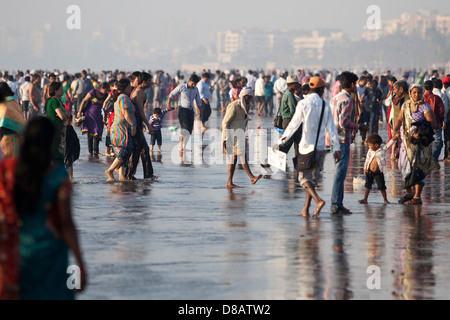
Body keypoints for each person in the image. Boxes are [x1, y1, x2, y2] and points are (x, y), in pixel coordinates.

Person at [8, 116, 86, 299]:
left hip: (20, 250)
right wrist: (80, 264)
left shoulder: (9, 172)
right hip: (52, 251)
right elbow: (66, 223)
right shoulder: (58, 176)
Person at [275, 77, 341, 218]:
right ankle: (306, 209)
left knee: (302, 179)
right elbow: (332, 129)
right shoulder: (325, 105)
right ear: (322, 90)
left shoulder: (303, 104)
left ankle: (318, 200)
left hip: (305, 147)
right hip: (319, 148)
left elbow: (293, 125)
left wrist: (281, 141)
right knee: (311, 180)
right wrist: (337, 149)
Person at [392, 84, 438, 205]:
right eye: (414, 92)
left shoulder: (425, 107)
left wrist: (419, 130)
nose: (416, 95)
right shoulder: (406, 105)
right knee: (403, 166)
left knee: (418, 168)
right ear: (410, 93)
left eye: (419, 92)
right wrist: (395, 130)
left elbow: (432, 124)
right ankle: (409, 193)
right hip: (406, 143)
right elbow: (400, 120)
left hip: (420, 143)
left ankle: (417, 197)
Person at [330, 71, 368, 215]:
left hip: (334, 140)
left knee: (339, 173)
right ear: (352, 84)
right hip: (342, 140)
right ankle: (335, 205)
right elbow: (344, 123)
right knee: (340, 174)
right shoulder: (347, 100)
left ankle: (338, 204)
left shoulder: (334, 98)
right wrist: (358, 126)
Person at [222, 87, 262, 189]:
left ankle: (229, 182)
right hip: (232, 136)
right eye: (251, 97)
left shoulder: (246, 106)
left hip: (239, 135)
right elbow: (225, 122)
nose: (252, 100)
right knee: (242, 156)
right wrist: (225, 139)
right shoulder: (234, 106)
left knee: (234, 158)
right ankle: (252, 177)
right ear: (247, 97)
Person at [105, 79, 137, 181]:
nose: (131, 88)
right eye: (129, 86)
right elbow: (126, 114)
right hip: (121, 128)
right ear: (125, 87)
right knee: (123, 151)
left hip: (121, 128)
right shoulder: (124, 98)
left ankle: (122, 176)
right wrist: (133, 125)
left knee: (127, 151)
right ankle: (110, 170)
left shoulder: (119, 97)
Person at [167, 74, 202, 159]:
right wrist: (168, 104)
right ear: (189, 80)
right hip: (182, 110)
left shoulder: (196, 89)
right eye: (192, 83)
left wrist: (200, 112)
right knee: (185, 128)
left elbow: (198, 101)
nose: (193, 85)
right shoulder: (182, 87)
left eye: (195, 84)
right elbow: (171, 94)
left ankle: (184, 146)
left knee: (189, 131)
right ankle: (180, 146)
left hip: (190, 111)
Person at [127, 72, 154, 180]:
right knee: (140, 150)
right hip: (135, 124)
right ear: (144, 82)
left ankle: (137, 174)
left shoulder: (138, 91)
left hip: (136, 123)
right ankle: (131, 175)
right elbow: (140, 111)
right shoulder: (139, 92)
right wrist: (148, 125)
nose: (150, 83)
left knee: (140, 150)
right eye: (149, 81)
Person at [358, 134, 394, 204]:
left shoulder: (382, 150)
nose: (369, 147)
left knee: (382, 186)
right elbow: (367, 159)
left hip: (378, 172)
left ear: (376, 145)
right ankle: (365, 199)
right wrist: (365, 168)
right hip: (369, 171)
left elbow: (388, 145)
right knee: (367, 185)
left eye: (370, 145)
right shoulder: (370, 151)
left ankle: (385, 199)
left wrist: (393, 139)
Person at [77, 82, 109, 158]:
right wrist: (79, 112)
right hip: (89, 115)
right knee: (90, 134)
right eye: (105, 90)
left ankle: (96, 151)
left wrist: (106, 117)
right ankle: (90, 151)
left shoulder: (106, 95)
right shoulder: (93, 92)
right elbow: (84, 101)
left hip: (99, 116)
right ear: (101, 88)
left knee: (97, 133)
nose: (106, 91)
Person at [46, 82, 70, 163]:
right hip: (55, 130)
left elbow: (68, 114)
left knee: (60, 153)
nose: (62, 91)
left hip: (60, 130)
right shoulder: (53, 101)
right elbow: (62, 116)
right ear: (55, 91)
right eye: (60, 89)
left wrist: (65, 114)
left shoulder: (59, 102)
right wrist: (65, 115)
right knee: (56, 154)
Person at [0, 83, 26, 159]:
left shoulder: (6, 105)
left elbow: (3, 124)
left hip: (9, 141)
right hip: (12, 140)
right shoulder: (13, 103)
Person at [279, 76, 302, 160]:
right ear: (292, 84)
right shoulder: (289, 94)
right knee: (287, 143)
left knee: (298, 142)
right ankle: (272, 159)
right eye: (296, 84)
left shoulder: (287, 93)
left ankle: (299, 161)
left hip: (288, 120)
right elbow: (293, 110)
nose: (297, 85)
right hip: (289, 121)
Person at [423, 80, 445, 161]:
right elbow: (441, 111)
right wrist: (442, 121)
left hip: (424, 124)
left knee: (426, 143)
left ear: (424, 88)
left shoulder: (422, 98)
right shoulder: (437, 98)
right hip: (436, 124)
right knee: (438, 142)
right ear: (432, 88)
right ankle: (434, 159)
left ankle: (427, 159)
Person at [390, 80, 409, 160]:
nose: (394, 91)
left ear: (401, 89)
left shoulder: (408, 100)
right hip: (397, 126)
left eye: (395, 89)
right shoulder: (398, 98)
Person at [65, 115, 80, 180]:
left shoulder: (69, 128)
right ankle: (70, 177)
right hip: (71, 147)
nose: (68, 122)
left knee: (69, 162)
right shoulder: (67, 127)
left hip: (72, 148)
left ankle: (70, 177)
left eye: (69, 121)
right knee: (68, 162)